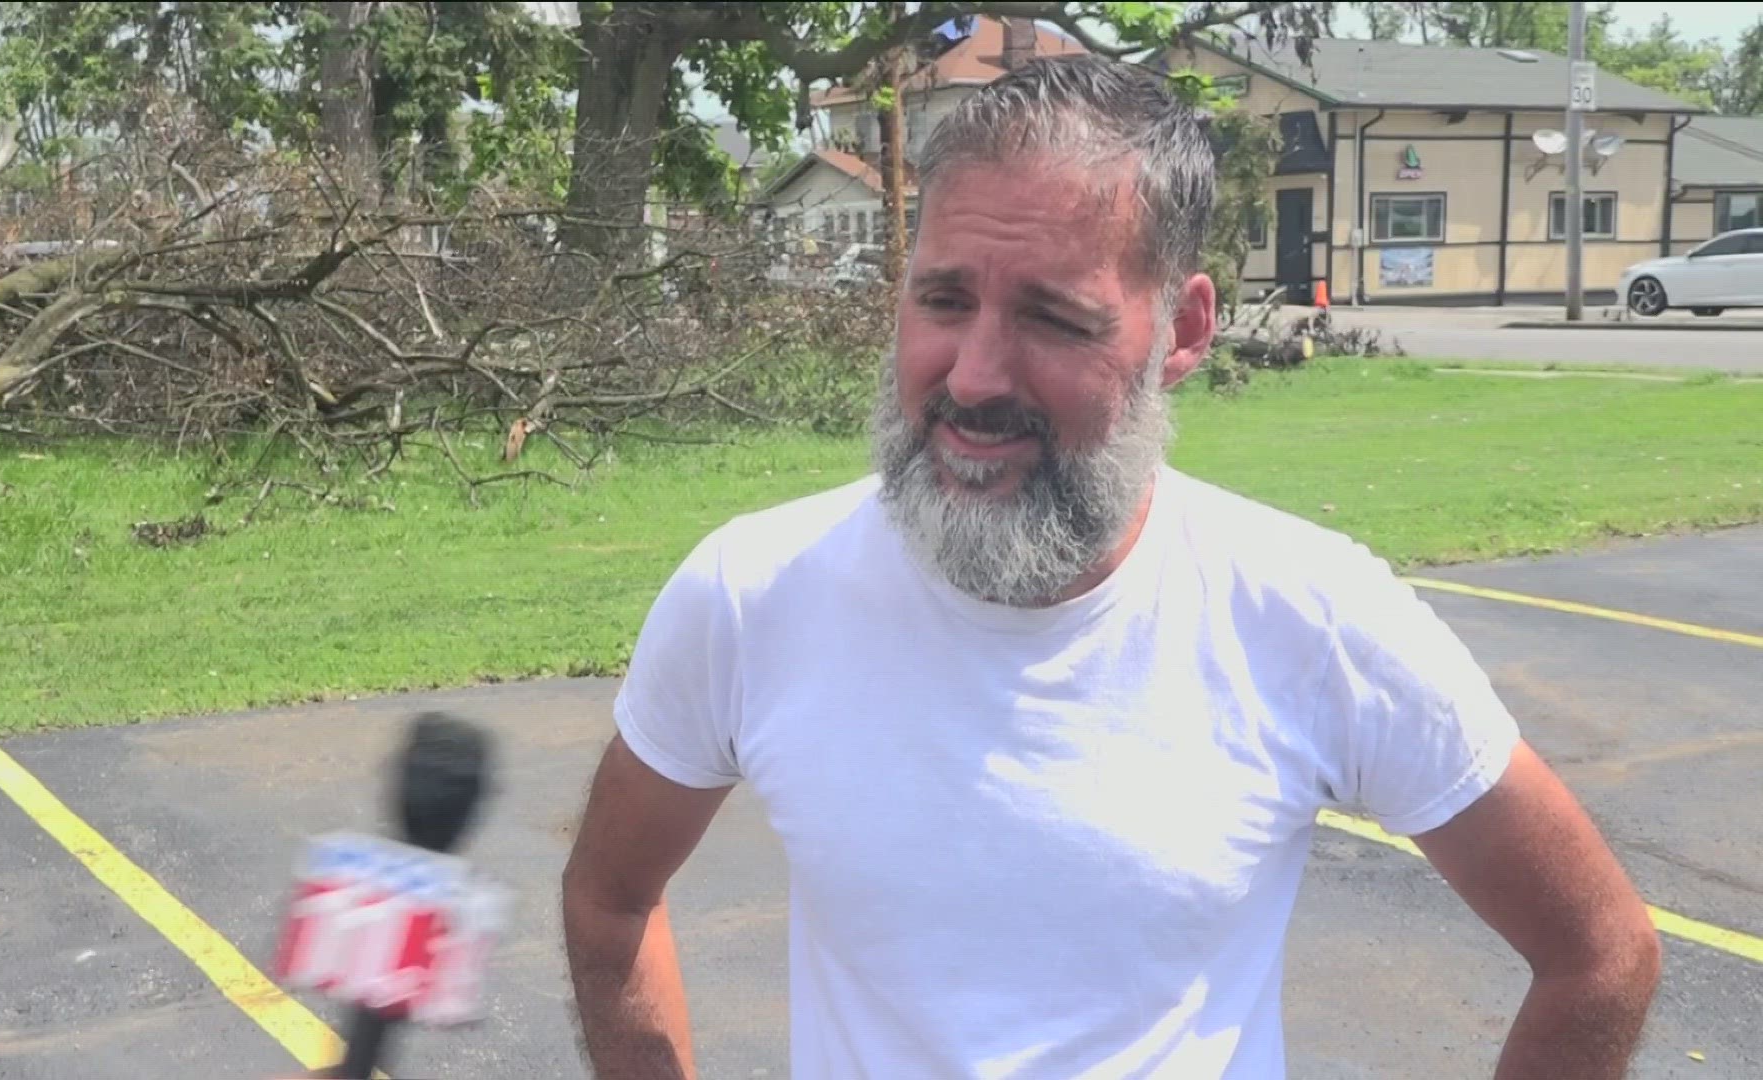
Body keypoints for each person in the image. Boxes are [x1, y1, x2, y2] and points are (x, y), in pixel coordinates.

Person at [561, 55, 1661, 1080]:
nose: (976, 375)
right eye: (943, 300)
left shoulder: (1308, 615)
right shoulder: (752, 594)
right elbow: (610, 902)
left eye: (1053, 317)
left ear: (1179, 332)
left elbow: (1600, 953)